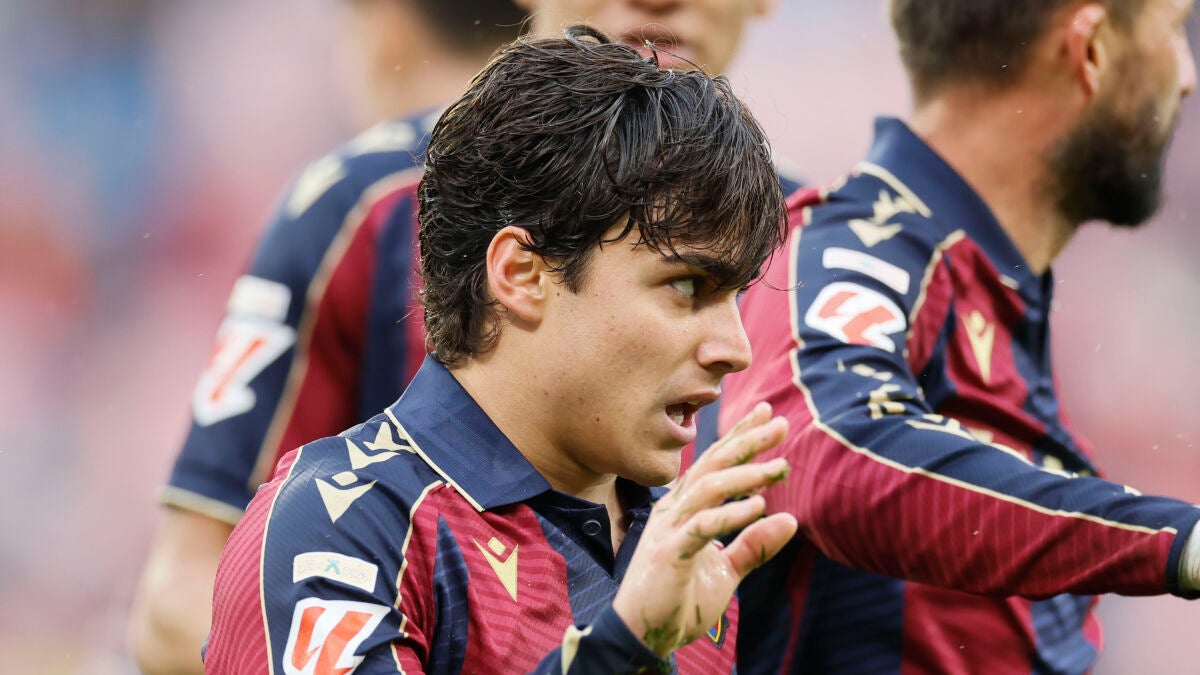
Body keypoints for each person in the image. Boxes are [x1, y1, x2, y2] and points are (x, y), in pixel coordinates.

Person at [129, 1, 792, 671]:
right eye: (687, 286)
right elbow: (176, 597)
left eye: (736, 294)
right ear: (520, 274)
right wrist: (620, 649)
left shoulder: (688, 554)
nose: (737, 349)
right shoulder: (337, 530)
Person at [719, 0, 1200, 672]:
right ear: (1091, 50)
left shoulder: (989, 296)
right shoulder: (859, 242)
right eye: (1173, 30)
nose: (1187, 77)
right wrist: (1176, 540)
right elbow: (827, 449)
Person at [126, 3, 524, 673]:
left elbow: (176, 600)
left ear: (381, 19)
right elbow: (179, 603)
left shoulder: (358, 199)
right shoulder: (363, 200)